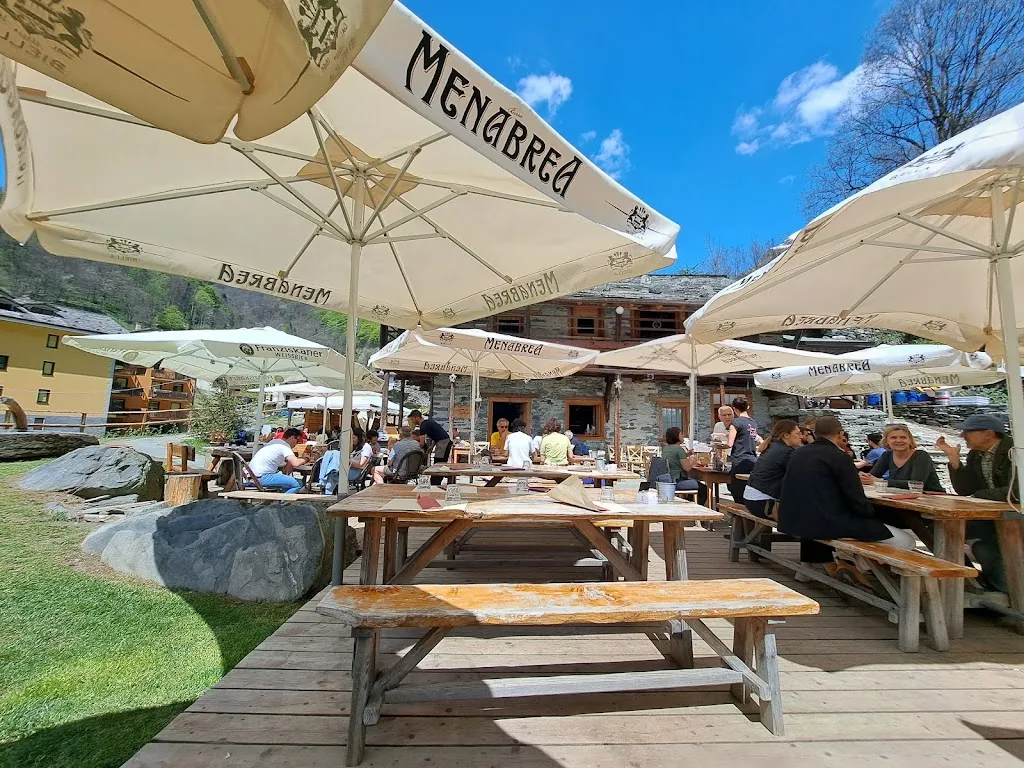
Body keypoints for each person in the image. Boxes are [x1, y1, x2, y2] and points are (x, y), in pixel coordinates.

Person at [779, 415, 916, 549]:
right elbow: (856, 498)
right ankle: (864, 569)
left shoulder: (798, 453)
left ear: (815, 433)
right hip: (828, 523)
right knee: (906, 541)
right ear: (840, 434)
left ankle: (850, 564)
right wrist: (872, 513)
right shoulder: (839, 457)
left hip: (795, 520)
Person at [935, 414, 1016, 594]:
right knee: (944, 530)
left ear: (988, 434)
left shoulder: (1015, 451)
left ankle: (1005, 592)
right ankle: (980, 586)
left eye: (968, 431)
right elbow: (964, 489)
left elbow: (1016, 491)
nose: (963, 436)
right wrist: (954, 460)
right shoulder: (975, 454)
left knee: (983, 545)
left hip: (1015, 516)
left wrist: (979, 495)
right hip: (994, 515)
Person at [743, 420, 802, 519]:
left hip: (752, 500)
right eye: (798, 433)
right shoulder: (786, 452)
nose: (801, 437)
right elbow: (801, 476)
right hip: (763, 503)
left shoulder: (772, 446)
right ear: (786, 435)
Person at [862, 424, 944, 493]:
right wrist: (864, 477)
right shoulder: (887, 455)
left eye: (903, 437)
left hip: (931, 496)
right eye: (893, 438)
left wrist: (881, 482)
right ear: (886, 441)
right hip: (902, 496)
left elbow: (916, 484)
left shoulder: (921, 456)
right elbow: (872, 476)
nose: (898, 440)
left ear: (910, 440)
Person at [248, 427, 306, 494]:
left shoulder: (274, 442)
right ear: (292, 438)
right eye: (297, 441)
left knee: (288, 482)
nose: (296, 444)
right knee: (297, 483)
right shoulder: (284, 446)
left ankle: (272, 502)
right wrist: (306, 459)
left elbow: (286, 472)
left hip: (251, 476)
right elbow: (296, 463)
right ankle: (281, 502)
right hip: (262, 477)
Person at [660, 426, 708, 505]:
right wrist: (693, 461)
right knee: (703, 488)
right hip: (677, 481)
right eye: (681, 434)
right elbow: (687, 468)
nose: (683, 436)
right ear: (676, 436)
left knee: (693, 484)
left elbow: (675, 458)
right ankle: (697, 508)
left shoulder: (666, 449)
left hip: (668, 480)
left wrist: (686, 454)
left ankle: (689, 504)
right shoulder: (679, 449)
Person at [726, 396, 759, 502]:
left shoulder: (736, 423)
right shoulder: (753, 422)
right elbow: (754, 437)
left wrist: (718, 445)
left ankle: (739, 517)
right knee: (748, 490)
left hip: (739, 459)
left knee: (737, 490)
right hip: (752, 459)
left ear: (734, 409)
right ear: (748, 407)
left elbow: (729, 444)